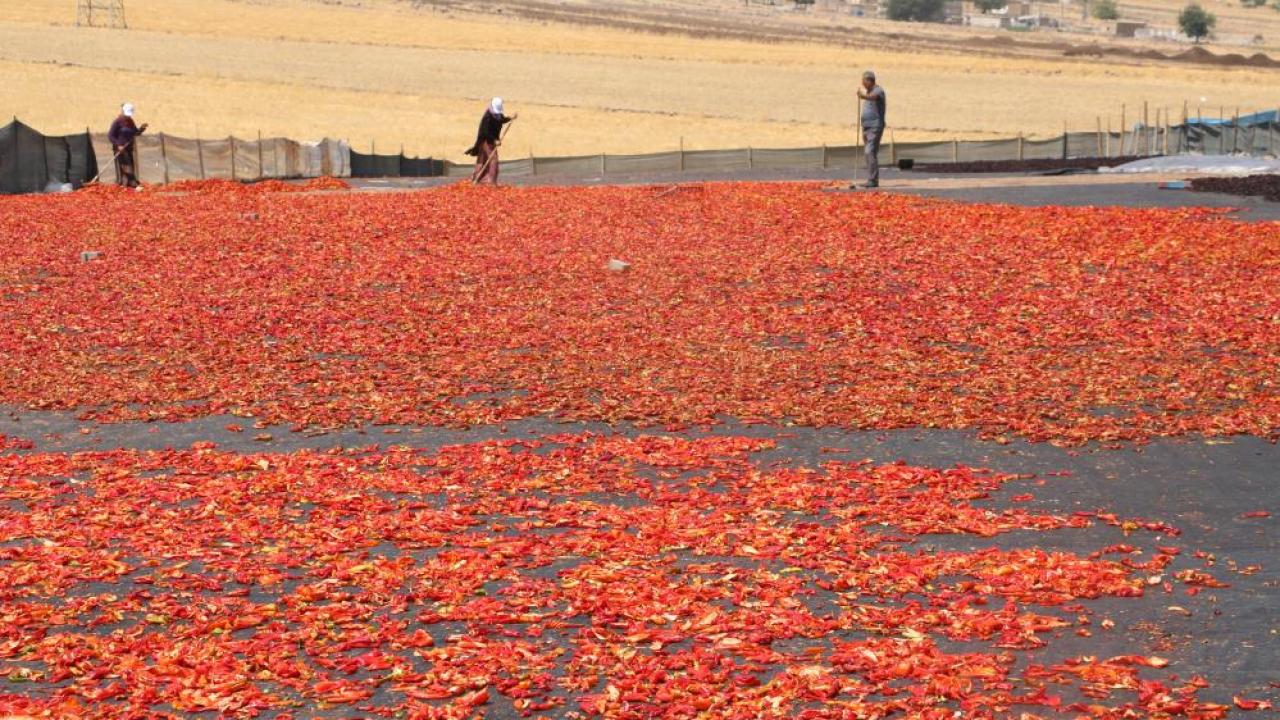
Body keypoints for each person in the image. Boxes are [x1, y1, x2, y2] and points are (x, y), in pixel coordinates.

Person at [466, 97, 517, 184]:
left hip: (491, 141)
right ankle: (489, 181)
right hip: (486, 140)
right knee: (492, 160)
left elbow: (501, 120)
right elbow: (485, 132)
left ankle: (480, 180)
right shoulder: (488, 117)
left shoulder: (497, 115)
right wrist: (494, 140)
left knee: (484, 159)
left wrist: (510, 118)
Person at [856, 72, 886, 189]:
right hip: (866, 126)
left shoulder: (878, 91)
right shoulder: (869, 91)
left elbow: (874, 98)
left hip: (875, 126)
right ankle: (871, 178)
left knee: (870, 151)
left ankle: (873, 180)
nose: (863, 85)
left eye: (864, 82)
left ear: (870, 81)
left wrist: (863, 96)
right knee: (869, 153)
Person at [107, 103, 148, 189]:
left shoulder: (131, 121)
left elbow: (135, 133)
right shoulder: (117, 122)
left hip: (129, 147)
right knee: (126, 166)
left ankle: (126, 185)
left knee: (130, 165)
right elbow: (110, 135)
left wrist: (142, 129)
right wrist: (118, 145)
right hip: (120, 149)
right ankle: (133, 184)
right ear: (123, 112)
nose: (128, 116)